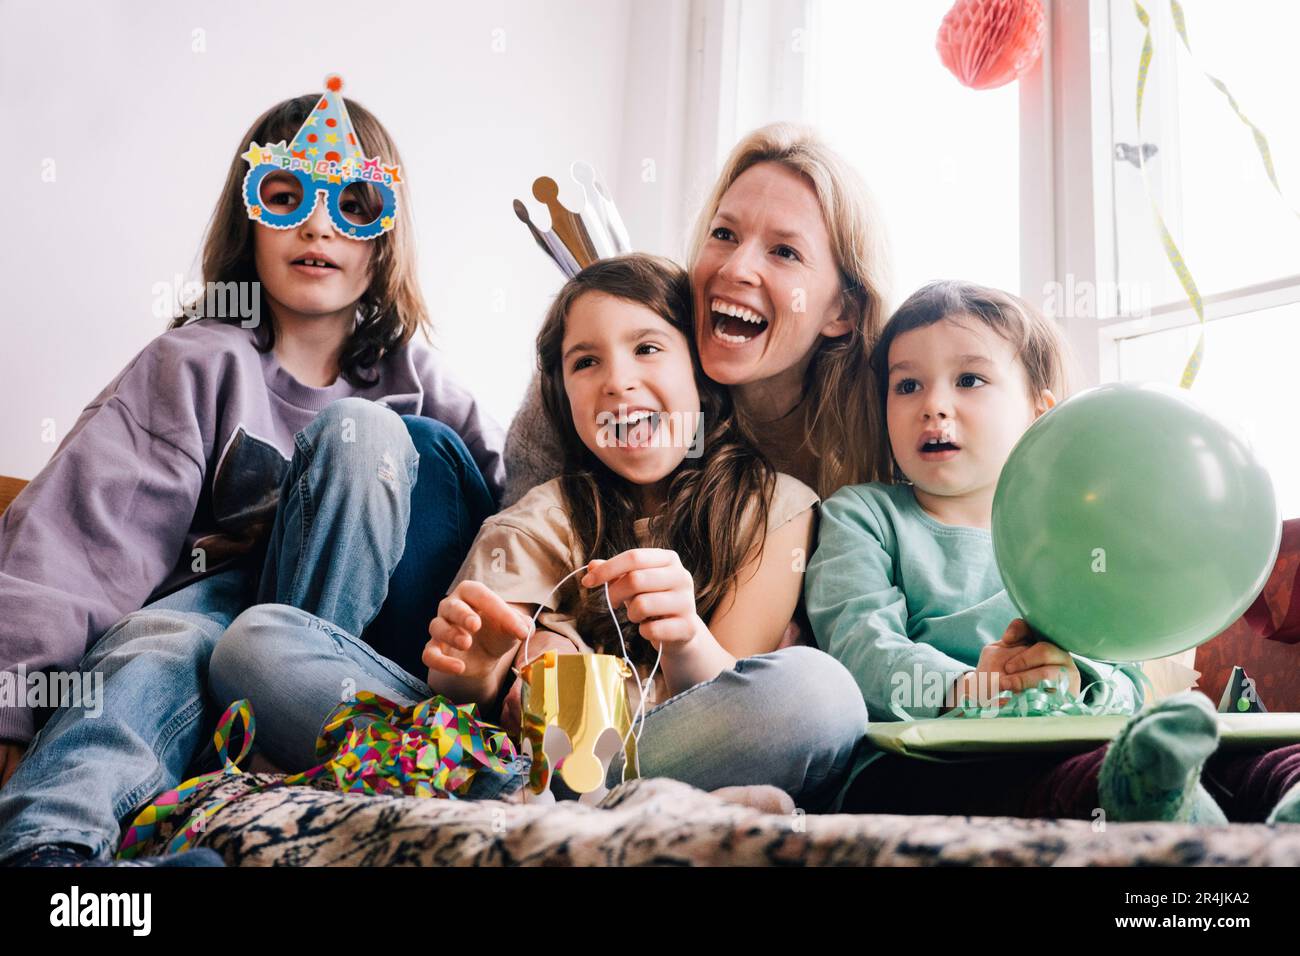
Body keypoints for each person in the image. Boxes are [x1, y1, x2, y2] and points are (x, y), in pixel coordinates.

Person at [0, 79, 503, 866]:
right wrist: (13, 698)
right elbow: (78, 537)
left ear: (383, 239)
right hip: (222, 621)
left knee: (363, 435)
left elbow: (526, 516)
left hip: (375, 665)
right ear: (250, 220)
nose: (316, 225)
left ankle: (268, 777)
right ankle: (55, 853)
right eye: (287, 195)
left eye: (354, 206)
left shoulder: (423, 385)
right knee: (157, 641)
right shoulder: (195, 365)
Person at [216, 254, 866, 811]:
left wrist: (686, 637)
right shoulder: (547, 514)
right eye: (586, 363)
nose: (617, 380)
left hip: (659, 743)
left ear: (700, 367)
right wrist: (478, 669)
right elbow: (454, 703)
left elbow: (729, 689)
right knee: (254, 642)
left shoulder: (777, 507)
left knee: (822, 694)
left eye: (647, 347)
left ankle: (511, 797)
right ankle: (557, 799)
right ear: (565, 402)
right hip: (497, 753)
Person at [806, 280, 1300, 824]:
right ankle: (1161, 808)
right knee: (1086, 781)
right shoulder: (863, 514)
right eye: (907, 386)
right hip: (930, 760)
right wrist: (968, 688)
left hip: (1078, 735)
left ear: (1041, 416)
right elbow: (857, 644)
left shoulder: (1084, 526)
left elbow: (1128, 669)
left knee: (1256, 759)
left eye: (969, 379)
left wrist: (1076, 682)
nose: (933, 406)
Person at [504, 123, 892, 506]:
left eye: (785, 252)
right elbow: (520, 541)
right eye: (724, 234)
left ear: (845, 310)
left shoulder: (891, 432)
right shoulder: (585, 385)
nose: (735, 269)